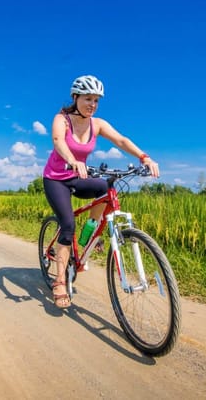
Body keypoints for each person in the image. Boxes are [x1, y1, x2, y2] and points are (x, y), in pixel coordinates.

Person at [42, 75, 159, 309]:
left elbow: (121, 140)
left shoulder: (97, 124)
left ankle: (90, 233)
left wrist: (144, 157)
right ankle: (60, 281)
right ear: (75, 98)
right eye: (88, 99)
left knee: (106, 187)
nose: (92, 104)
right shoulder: (62, 119)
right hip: (56, 179)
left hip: (79, 176)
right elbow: (58, 141)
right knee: (67, 226)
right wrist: (72, 160)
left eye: (96, 100)